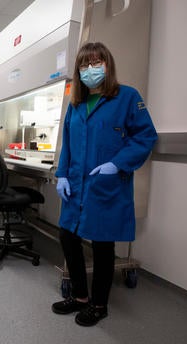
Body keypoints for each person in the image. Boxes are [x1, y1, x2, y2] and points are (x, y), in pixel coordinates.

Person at [52, 42, 157, 326]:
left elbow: (145, 137)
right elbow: (68, 145)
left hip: (105, 185)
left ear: (107, 65)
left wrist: (118, 164)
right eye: (84, 65)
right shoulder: (75, 104)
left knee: (101, 245)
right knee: (68, 237)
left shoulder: (126, 97)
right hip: (75, 185)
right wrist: (61, 174)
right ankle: (79, 297)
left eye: (96, 63)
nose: (90, 69)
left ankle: (99, 305)